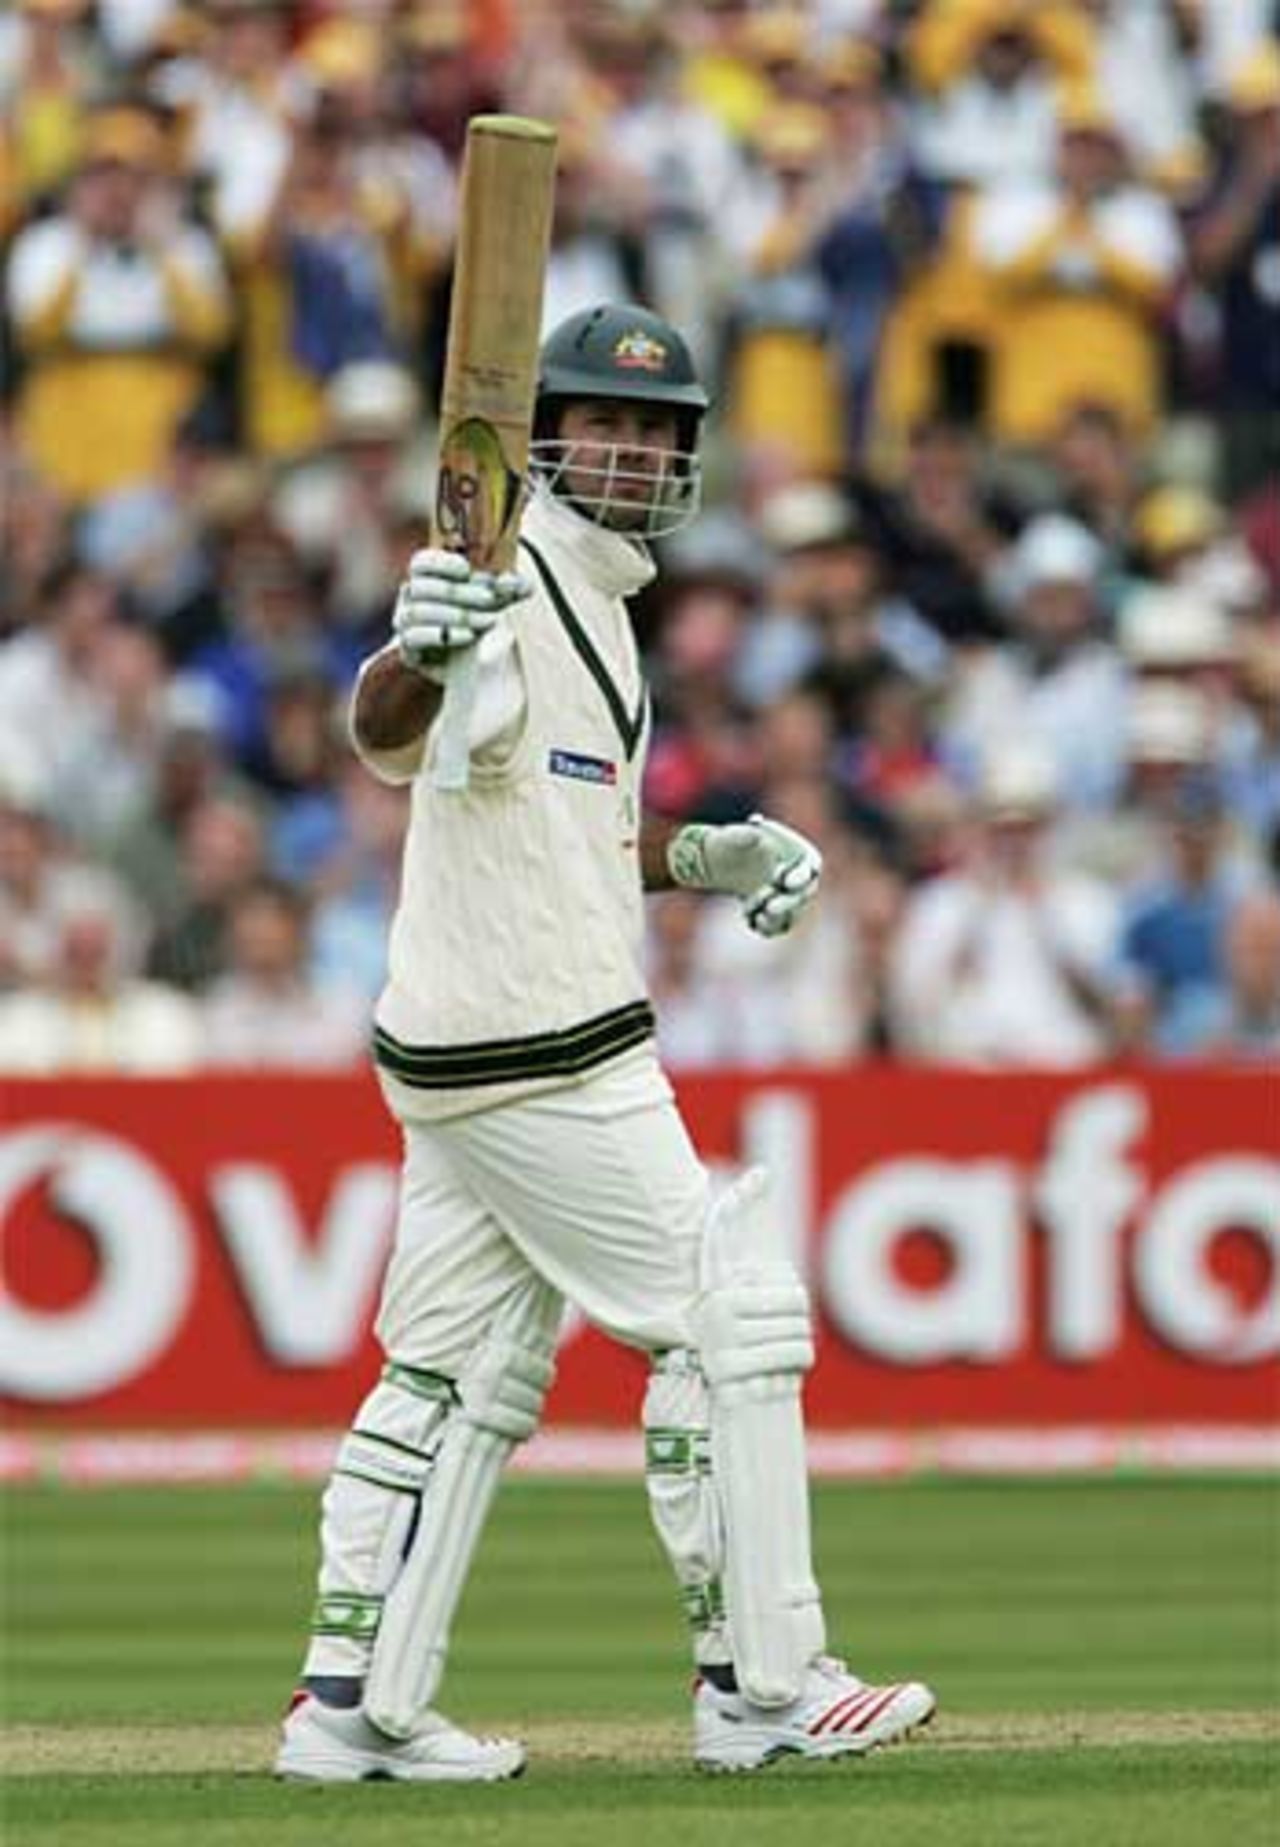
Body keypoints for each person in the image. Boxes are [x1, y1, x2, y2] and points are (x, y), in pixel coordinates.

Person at [276, 302, 935, 1782]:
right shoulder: (501, 583)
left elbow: (575, 829)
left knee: (450, 1376)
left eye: (658, 429)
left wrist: (707, 856)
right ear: (551, 439)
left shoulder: (601, 606)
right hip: (544, 1044)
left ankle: (348, 1707)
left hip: (465, 1042)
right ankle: (761, 1682)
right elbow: (395, 737)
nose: (635, 451)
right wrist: (414, 650)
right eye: (608, 424)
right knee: (727, 1317)